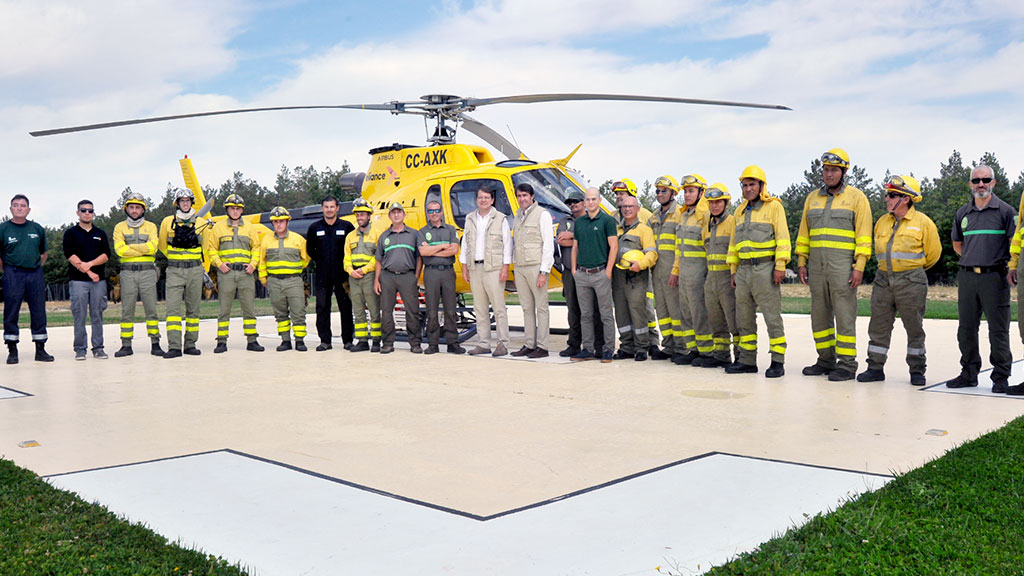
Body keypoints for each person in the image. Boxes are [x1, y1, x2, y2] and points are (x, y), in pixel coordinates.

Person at [796, 149, 873, 382]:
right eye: (826, 169)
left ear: (844, 171)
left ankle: (847, 365)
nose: (829, 174)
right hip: (816, 267)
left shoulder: (856, 198)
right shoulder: (812, 198)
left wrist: (859, 266)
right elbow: (804, 233)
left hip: (842, 268)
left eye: (834, 170)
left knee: (844, 315)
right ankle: (825, 360)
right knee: (819, 316)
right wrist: (801, 261)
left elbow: (863, 236)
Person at [857, 175, 940, 386]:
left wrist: (911, 272)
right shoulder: (882, 222)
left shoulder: (924, 223)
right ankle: (875, 368)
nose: (886, 198)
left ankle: (917, 370)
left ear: (905, 199)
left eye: (892, 194)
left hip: (911, 281)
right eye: (887, 194)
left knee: (914, 327)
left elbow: (933, 254)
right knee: (878, 326)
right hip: (883, 280)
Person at [948, 165, 1016, 393]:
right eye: (976, 180)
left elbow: (1013, 244)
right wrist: (973, 258)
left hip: (994, 277)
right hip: (967, 277)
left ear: (993, 183)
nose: (981, 184)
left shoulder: (1006, 212)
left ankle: (1000, 377)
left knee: (998, 330)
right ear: (970, 184)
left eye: (986, 179)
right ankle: (968, 373)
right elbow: (957, 244)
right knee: (966, 329)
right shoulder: (962, 213)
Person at [725, 166, 790, 378]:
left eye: (752, 184)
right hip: (743, 270)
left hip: (766, 269)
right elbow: (734, 244)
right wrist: (734, 270)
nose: (748, 188)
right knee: (744, 318)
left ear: (762, 185)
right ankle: (747, 360)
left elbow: (782, 238)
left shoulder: (773, 207)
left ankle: (777, 361)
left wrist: (780, 266)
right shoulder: (739, 211)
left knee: (772, 317)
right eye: (744, 185)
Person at [204, 194, 264, 353]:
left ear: (242, 210)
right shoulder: (218, 227)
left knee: (249, 308)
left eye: (238, 208)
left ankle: (252, 340)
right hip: (227, 273)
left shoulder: (250, 227)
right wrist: (219, 264)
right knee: (224, 309)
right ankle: (221, 342)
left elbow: (256, 248)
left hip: (246, 273)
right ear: (227, 209)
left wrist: (253, 265)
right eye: (232, 208)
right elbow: (211, 249)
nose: (235, 211)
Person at [1, 194, 53, 364]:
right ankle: (12, 349)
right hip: (13, 273)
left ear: (28, 209)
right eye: (16, 205)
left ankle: (40, 349)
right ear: (10, 209)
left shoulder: (37, 229)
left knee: (38, 310)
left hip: (34, 273)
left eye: (23, 205)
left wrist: (35, 266)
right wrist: (8, 270)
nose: (19, 208)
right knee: (11, 310)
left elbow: (43, 253)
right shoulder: (3, 229)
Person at [460, 187, 512, 357]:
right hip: (475, 267)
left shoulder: (500, 219)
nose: (483, 200)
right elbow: (465, 244)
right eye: (480, 197)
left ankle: (502, 343)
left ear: (492, 200)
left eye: (486, 197)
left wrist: (505, 267)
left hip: (494, 268)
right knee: (480, 308)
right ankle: (483, 343)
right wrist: (464, 267)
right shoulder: (469, 219)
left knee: (498, 308)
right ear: (476, 200)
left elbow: (507, 244)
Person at [158, 188, 210, 358]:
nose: (185, 203)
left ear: (191, 202)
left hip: (194, 270)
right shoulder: (168, 222)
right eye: (182, 201)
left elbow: (206, 246)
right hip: (174, 270)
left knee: (193, 310)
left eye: (188, 200)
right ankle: (174, 346)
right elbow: (162, 245)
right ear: (177, 203)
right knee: (172, 310)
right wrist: (176, 258)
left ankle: (190, 344)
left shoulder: (201, 222)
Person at [611, 178, 660, 354]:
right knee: (622, 312)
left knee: (643, 309)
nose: (619, 199)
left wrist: (642, 264)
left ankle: (650, 343)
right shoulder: (613, 218)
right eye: (617, 195)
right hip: (619, 276)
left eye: (622, 194)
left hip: (638, 276)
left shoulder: (645, 216)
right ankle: (627, 346)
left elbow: (651, 249)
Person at [112, 192, 164, 357]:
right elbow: (119, 249)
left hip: (148, 272)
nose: (134, 211)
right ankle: (126, 345)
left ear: (143, 210)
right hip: (127, 273)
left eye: (138, 208)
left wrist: (131, 248)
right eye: (132, 207)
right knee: (127, 310)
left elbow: (153, 247)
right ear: (127, 209)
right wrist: (143, 247)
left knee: (151, 309)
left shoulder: (151, 226)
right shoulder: (119, 227)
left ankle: (155, 343)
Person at [571, 187, 618, 363]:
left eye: (593, 199)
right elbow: (575, 247)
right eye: (587, 200)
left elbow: (614, 246)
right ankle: (588, 349)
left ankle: (608, 350)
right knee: (586, 315)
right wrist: (575, 270)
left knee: (605, 314)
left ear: (599, 201)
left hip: (600, 273)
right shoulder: (580, 222)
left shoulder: (607, 220)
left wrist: (608, 271)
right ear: (584, 202)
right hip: (582, 274)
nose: (590, 202)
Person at [555, 190, 605, 357]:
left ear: (584, 202)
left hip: (588, 270)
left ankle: (599, 345)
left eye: (576, 201)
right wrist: (576, 238)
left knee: (593, 309)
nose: (573, 205)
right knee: (573, 310)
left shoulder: (591, 219)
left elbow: (592, 241)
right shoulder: (565, 221)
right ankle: (574, 343)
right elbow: (561, 240)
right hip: (570, 272)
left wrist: (573, 237)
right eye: (570, 202)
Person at [670, 174, 713, 365]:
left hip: (699, 271)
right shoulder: (684, 215)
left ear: (701, 192)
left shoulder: (705, 216)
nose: (687, 195)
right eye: (685, 191)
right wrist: (675, 270)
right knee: (686, 311)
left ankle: (706, 352)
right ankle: (693, 349)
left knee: (699, 312)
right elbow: (678, 247)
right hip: (684, 271)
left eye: (691, 191)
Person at [62, 199, 110, 360]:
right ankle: (80, 349)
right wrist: (90, 272)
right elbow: (70, 255)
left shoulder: (100, 234)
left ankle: (98, 347)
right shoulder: (70, 233)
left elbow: (106, 255)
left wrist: (89, 264)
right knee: (79, 315)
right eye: (83, 210)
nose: (87, 213)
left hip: (99, 282)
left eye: (90, 210)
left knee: (97, 314)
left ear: (93, 213)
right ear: (78, 213)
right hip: (78, 282)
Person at [511, 183, 554, 358]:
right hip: (520, 267)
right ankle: (529, 344)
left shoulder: (542, 215)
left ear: (532, 196)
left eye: (525, 196)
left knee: (541, 307)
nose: (522, 199)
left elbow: (548, 245)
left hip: (536, 266)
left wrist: (544, 271)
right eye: (519, 196)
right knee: (526, 308)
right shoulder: (517, 216)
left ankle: (542, 346)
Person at [307, 195, 355, 352]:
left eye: (332, 207)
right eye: (326, 207)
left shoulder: (347, 227)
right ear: (322, 209)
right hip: (323, 275)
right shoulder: (314, 228)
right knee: (322, 307)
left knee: (346, 307)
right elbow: (310, 250)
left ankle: (348, 341)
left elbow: (352, 247)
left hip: (342, 275)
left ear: (337, 208)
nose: (329, 210)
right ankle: (325, 341)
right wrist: (322, 261)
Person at [258, 207, 310, 351]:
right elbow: (262, 261)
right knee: (280, 313)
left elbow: (305, 259)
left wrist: (294, 271)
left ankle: (300, 341)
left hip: (294, 281)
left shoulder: (298, 239)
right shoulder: (266, 240)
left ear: (287, 222)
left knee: (298, 312)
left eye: (281, 221)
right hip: (274, 281)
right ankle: (285, 340)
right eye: (275, 222)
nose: (279, 224)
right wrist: (264, 279)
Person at [418, 198, 465, 355]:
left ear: (442, 212)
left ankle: (453, 342)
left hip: (447, 272)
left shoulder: (451, 230)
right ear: (427, 213)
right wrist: (444, 246)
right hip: (431, 272)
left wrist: (433, 249)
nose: (434, 213)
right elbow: (423, 253)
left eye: (437, 210)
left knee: (450, 308)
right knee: (431, 309)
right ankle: (433, 343)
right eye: (431, 211)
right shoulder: (423, 232)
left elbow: (454, 250)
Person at [375, 202, 422, 354]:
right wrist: (377, 280)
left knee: (412, 311)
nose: (396, 215)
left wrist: (415, 276)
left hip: (407, 276)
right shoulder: (384, 236)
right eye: (393, 212)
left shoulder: (414, 234)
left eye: (399, 212)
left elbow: (419, 257)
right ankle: (388, 343)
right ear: (389, 216)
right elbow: (379, 260)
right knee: (387, 311)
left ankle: (415, 343)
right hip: (387, 276)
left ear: (404, 215)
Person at [701, 184, 739, 369]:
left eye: (718, 202)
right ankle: (721, 355)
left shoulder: (733, 222)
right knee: (715, 320)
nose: (714, 206)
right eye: (711, 203)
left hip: (727, 278)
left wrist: (734, 274)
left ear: (726, 203)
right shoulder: (707, 225)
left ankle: (741, 357)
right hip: (711, 278)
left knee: (734, 320)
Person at [646, 176, 682, 360]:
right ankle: (668, 346)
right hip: (657, 272)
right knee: (663, 311)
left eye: (664, 191)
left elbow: (680, 246)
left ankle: (681, 348)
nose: (660, 194)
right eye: (658, 191)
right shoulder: (653, 217)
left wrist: (676, 270)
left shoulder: (680, 214)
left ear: (673, 193)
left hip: (672, 271)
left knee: (676, 311)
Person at [344, 198, 381, 352]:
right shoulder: (350, 236)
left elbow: (378, 257)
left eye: (363, 215)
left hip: (369, 276)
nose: (360, 218)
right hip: (354, 277)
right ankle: (362, 341)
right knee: (358, 310)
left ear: (369, 216)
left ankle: (377, 340)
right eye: (358, 215)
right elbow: (346, 257)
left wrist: (364, 270)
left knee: (373, 309)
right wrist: (350, 270)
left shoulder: (377, 234)